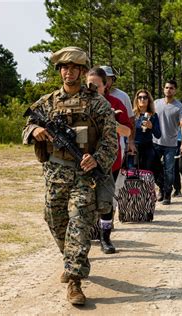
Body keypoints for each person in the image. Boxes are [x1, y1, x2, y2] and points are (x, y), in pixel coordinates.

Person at [22, 47, 117, 305]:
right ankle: (71, 256)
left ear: (83, 71)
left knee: (79, 221)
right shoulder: (48, 102)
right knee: (54, 217)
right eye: (64, 67)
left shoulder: (98, 104)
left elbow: (111, 141)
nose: (68, 72)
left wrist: (96, 158)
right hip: (55, 173)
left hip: (84, 175)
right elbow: (26, 125)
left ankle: (74, 280)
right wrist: (35, 131)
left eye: (74, 67)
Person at [86, 67, 132, 255]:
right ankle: (83, 239)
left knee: (105, 200)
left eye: (96, 85)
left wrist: (110, 119)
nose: (92, 88)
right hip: (83, 159)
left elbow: (127, 131)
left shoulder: (115, 103)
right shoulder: (80, 103)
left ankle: (105, 238)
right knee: (84, 200)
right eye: (89, 84)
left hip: (109, 160)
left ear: (106, 85)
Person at [153, 80, 182, 205]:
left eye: (171, 88)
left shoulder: (179, 107)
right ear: (163, 89)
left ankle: (167, 193)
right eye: (167, 87)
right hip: (155, 142)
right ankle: (161, 188)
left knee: (169, 170)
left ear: (175, 90)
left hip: (171, 144)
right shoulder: (156, 103)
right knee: (154, 169)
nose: (169, 90)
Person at [100, 66, 136, 155]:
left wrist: (130, 141)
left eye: (108, 79)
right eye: (103, 78)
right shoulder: (90, 96)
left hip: (117, 144)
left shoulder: (122, 96)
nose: (105, 82)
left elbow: (131, 120)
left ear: (113, 79)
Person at [132, 89, 161, 171]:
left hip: (147, 148)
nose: (142, 99)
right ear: (136, 100)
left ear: (149, 100)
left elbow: (158, 135)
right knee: (133, 176)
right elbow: (127, 133)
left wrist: (151, 127)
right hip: (134, 147)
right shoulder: (131, 114)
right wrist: (128, 145)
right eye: (140, 97)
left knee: (146, 175)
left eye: (145, 97)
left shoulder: (154, 115)